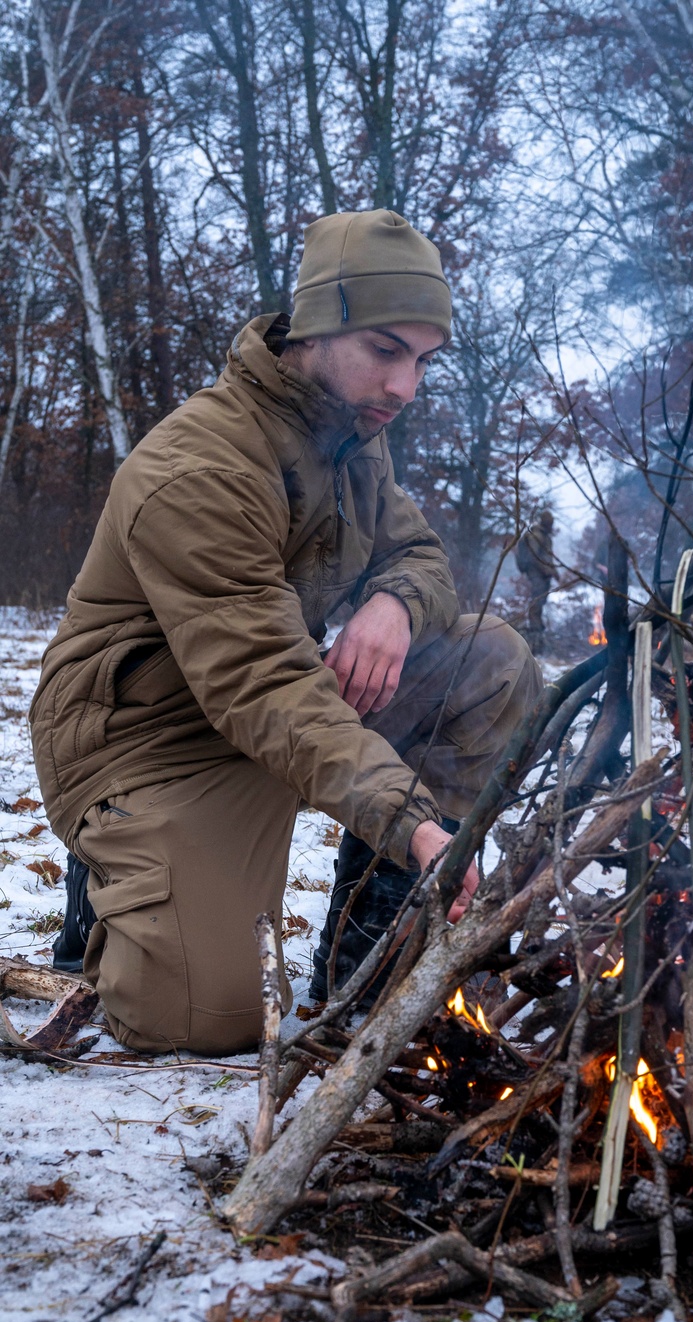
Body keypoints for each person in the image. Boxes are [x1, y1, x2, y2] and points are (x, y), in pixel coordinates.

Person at [30, 209, 541, 1054]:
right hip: (147, 741)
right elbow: (264, 682)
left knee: (490, 660)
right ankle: (116, 884)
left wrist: (393, 607)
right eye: (386, 350)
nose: (404, 387)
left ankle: (373, 957)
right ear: (317, 326)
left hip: (268, 701)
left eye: (422, 361)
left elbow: (423, 558)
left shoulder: (349, 436)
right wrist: (413, 820)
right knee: (206, 1017)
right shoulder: (202, 467)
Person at [515, 508, 558, 653]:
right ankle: (535, 633)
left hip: (543, 574)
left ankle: (538, 630)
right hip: (536, 573)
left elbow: (548, 557)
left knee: (541, 600)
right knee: (536, 601)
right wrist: (547, 570)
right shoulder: (536, 536)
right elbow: (534, 558)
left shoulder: (546, 537)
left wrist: (553, 571)